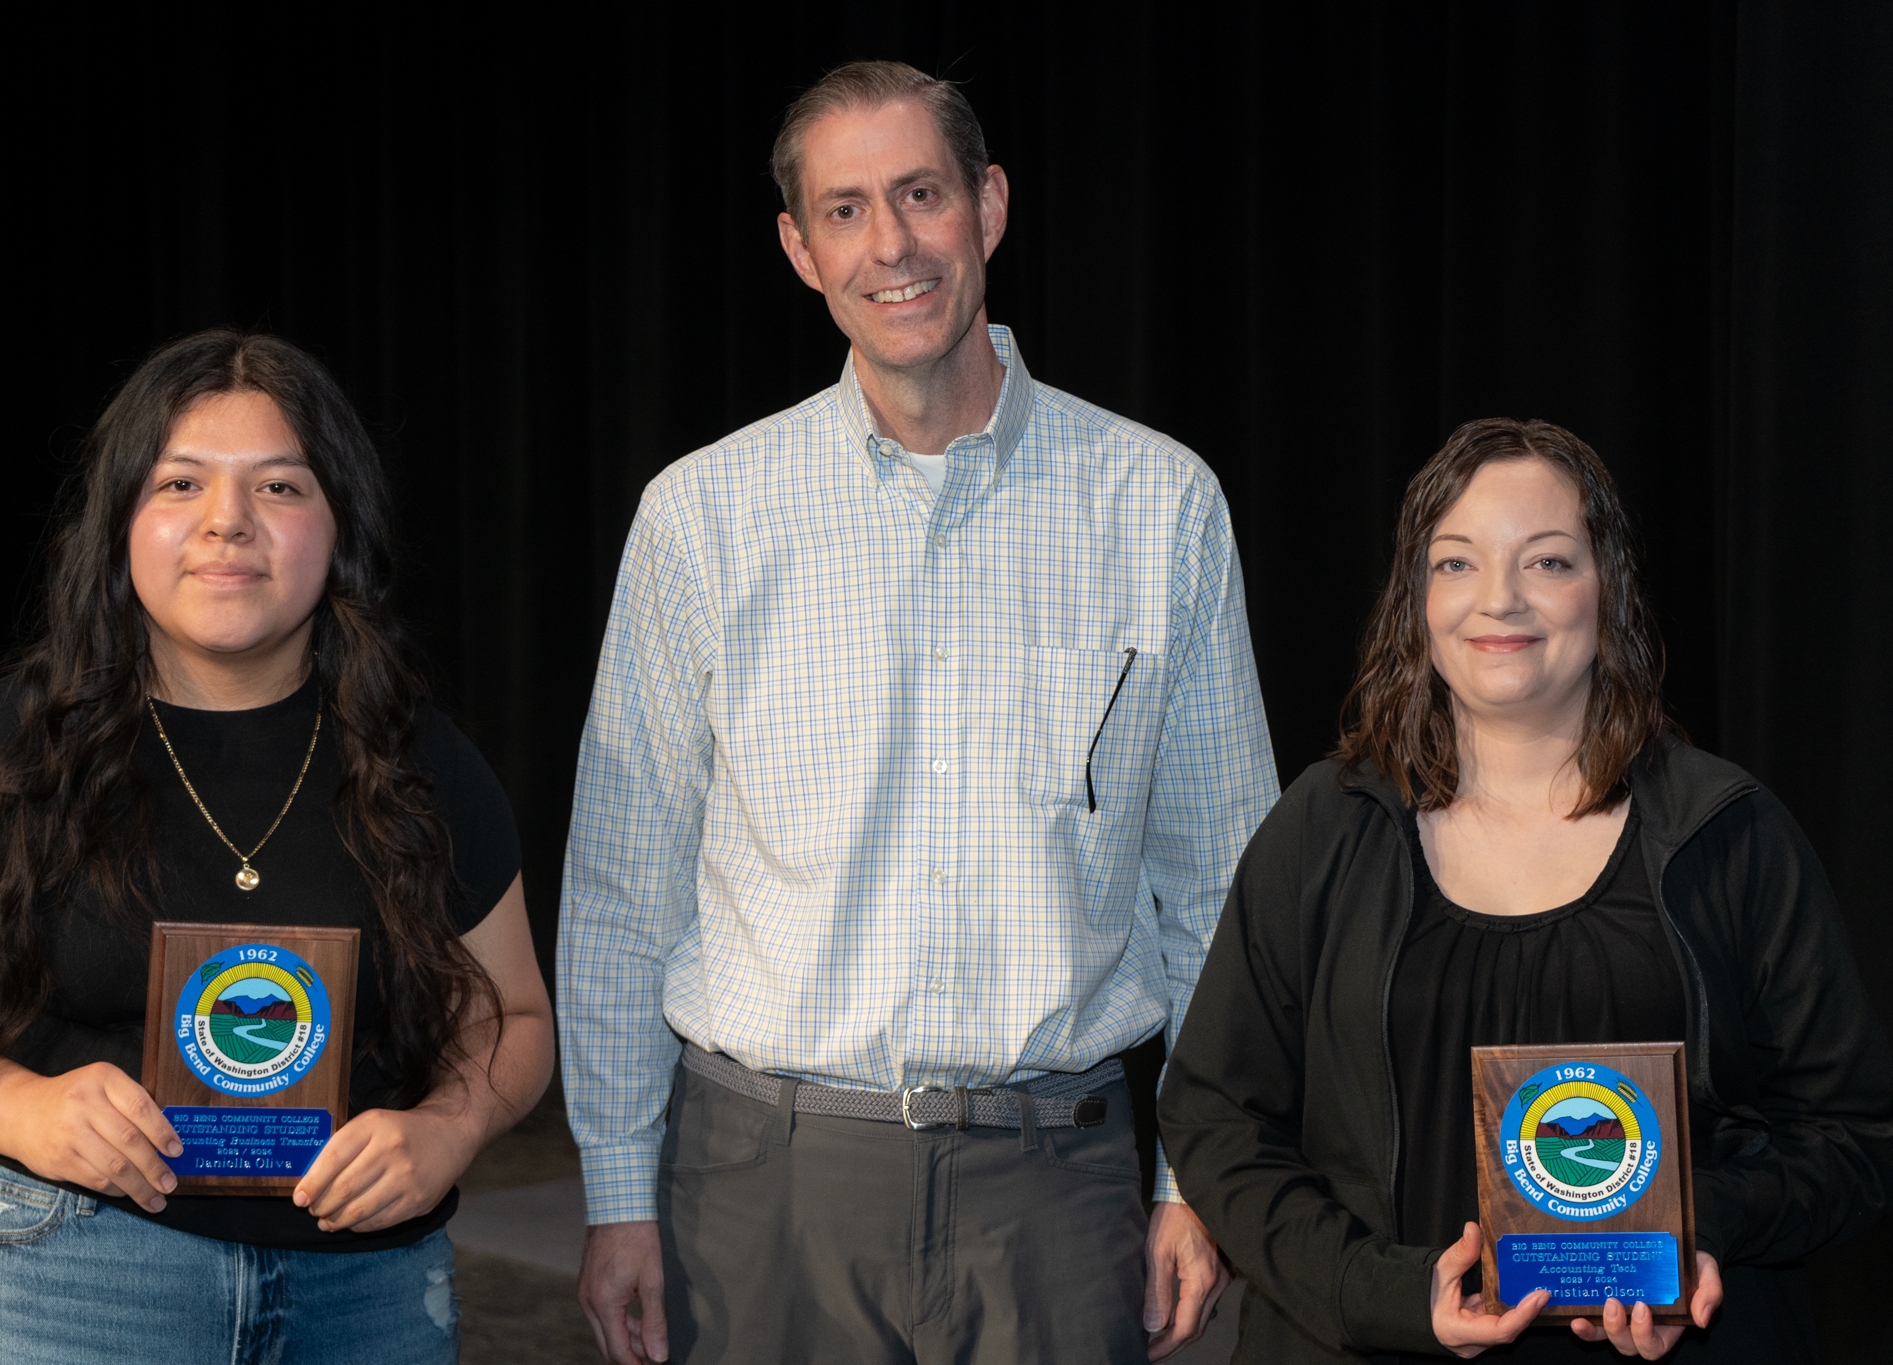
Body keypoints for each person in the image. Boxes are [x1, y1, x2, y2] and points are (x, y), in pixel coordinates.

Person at [558, 59, 1280, 1365]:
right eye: (844, 210)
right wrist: (616, 1188)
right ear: (799, 249)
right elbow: (623, 890)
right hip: (760, 1196)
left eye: (920, 195)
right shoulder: (701, 518)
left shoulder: (1158, 506)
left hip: (1056, 1196)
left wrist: (1195, 1176)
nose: (889, 245)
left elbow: (1223, 890)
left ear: (988, 208)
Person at [0, 330, 554, 1364]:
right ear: (120, 522)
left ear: (340, 526)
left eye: (279, 486)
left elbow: (516, 1017)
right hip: (64, 1278)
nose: (228, 521)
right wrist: (14, 1103)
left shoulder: (423, 764)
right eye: (180, 483)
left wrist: (448, 1128)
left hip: (365, 1293)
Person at [1158, 417, 1893, 1362]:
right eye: (1456, 562)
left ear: (1607, 588)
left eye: (1546, 561)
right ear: (1416, 599)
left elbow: (1852, 1134)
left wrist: (1694, 1228)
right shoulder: (1324, 827)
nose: (1498, 598)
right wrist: (1376, 1290)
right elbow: (1214, 1113)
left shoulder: (1727, 835)